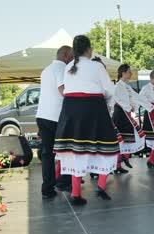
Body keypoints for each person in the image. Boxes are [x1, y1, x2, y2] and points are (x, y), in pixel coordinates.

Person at [54, 35, 119, 205]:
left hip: (71, 110)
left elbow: (67, 90)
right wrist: (108, 106)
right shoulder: (96, 66)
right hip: (93, 108)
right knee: (107, 147)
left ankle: (76, 192)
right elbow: (110, 91)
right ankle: (101, 186)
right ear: (89, 50)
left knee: (77, 151)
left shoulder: (68, 66)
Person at [36, 45, 74, 199]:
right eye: (71, 57)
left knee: (47, 154)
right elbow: (63, 90)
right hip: (56, 117)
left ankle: (47, 188)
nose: (72, 60)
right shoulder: (60, 69)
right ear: (64, 55)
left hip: (42, 115)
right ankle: (64, 182)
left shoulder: (45, 70)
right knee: (66, 150)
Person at [112, 64, 149, 173]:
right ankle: (120, 162)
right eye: (129, 72)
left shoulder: (126, 86)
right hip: (120, 114)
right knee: (122, 140)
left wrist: (147, 105)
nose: (131, 74)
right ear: (123, 73)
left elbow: (136, 97)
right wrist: (130, 106)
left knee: (132, 137)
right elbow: (116, 99)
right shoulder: (118, 86)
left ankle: (123, 159)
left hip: (126, 114)